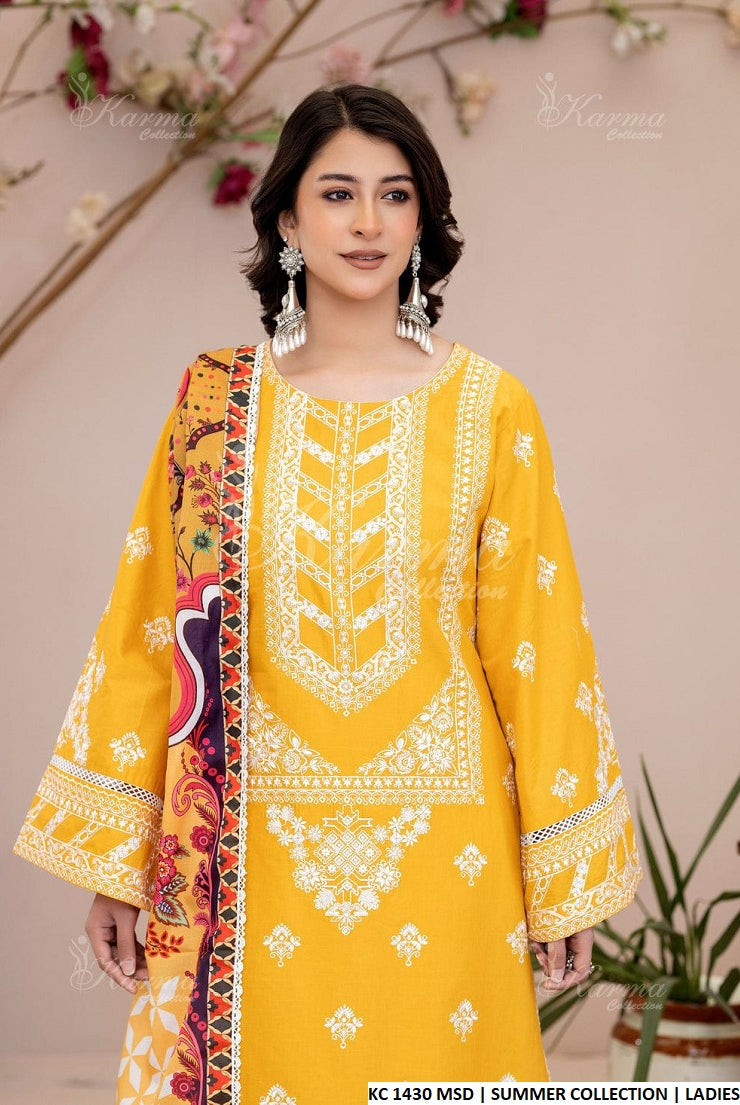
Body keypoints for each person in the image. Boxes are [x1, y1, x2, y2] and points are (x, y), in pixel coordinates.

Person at [13, 84, 642, 1102]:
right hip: (245, 850)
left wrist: (564, 874)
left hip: (448, 853)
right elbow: (150, 630)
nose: (367, 222)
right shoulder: (214, 403)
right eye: (337, 193)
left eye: (395, 195)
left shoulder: (491, 406)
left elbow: (537, 642)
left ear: (423, 221)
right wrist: (118, 863)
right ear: (287, 220)